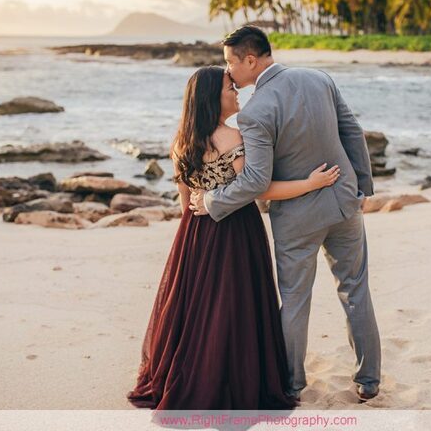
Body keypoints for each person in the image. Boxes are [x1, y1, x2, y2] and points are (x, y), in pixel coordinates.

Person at [127, 64, 340, 410]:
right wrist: (309, 184)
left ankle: (193, 372)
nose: (236, 92)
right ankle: (231, 376)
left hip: (193, 234)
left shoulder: (180, 142)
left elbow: (185, 202)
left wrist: (192, 241)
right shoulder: (232, 137)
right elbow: (258, 188)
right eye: (230, 88)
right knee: (236, 305)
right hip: (235, 231)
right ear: (214, 98)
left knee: (198, 310)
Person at [189, 26, 382, 401]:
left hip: (296, 218)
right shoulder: (318, 78)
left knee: (295, 299)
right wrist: (362, 188)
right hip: (344, 205)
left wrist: (213, 202)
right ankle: (369, 380)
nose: (227, 72)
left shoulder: (256, 111)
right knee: (356, 289)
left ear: (250, 59)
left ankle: (293, 384)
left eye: (230, 62)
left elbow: (256, 180)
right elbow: (353, 132)